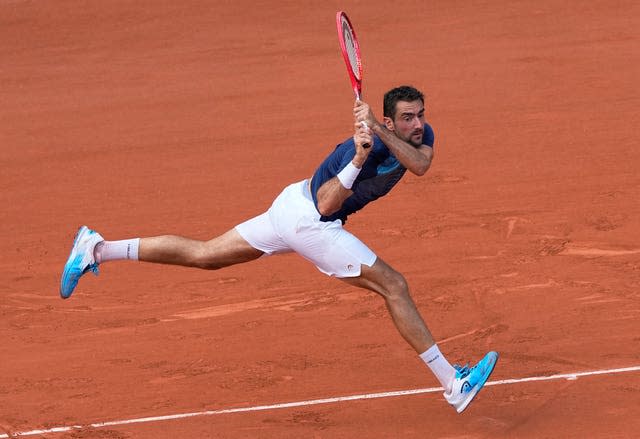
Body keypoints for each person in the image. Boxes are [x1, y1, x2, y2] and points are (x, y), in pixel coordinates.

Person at [60, 85, 498, 413]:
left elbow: (420, 165)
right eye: (406, 118)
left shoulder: (415, 138)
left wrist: (385, 134)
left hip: (290, 205)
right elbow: (328, 204)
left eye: (420, 115)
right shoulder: (357, 148)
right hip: (310, 219)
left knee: (206, 254)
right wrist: (361, 158)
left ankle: (97, 250)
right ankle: (453, 385)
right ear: (389, 118)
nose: (418, 125)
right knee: (394, 287)